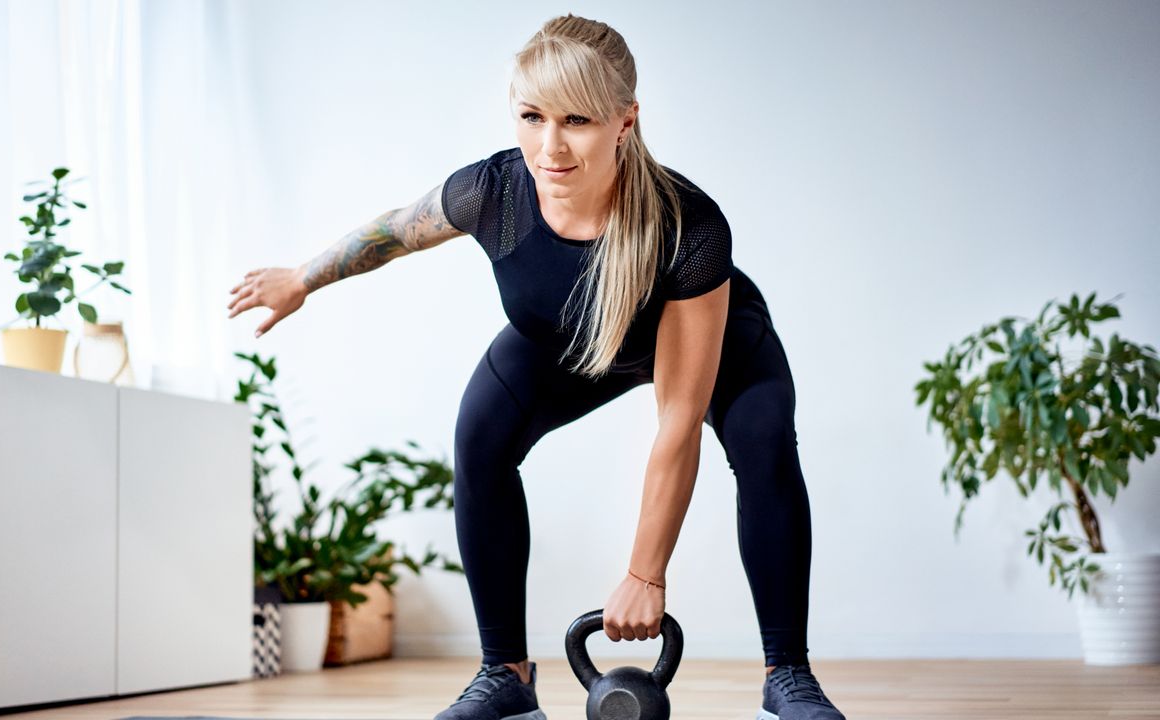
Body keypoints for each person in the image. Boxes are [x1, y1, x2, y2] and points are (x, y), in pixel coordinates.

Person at [227, 12, 847, 720]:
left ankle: (788, 677)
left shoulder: (688, 227)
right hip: (569, 341)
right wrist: (303, 278)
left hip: (715, 340)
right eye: (531, 116)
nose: (549, 147)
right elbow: (396, 231)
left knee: (765, 440)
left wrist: (647, 574)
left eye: (576, 120)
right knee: (480, 435)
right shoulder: (493, 193)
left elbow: (678, 417)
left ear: (625, 121)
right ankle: (507, 676)